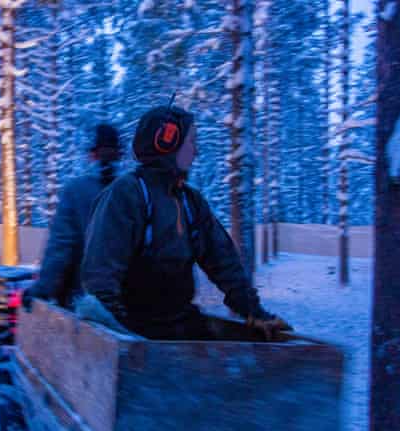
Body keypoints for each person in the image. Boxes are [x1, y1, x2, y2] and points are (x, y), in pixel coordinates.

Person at [80, 104, 290, 341]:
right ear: (166, 142)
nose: (196, 151)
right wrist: (118, 334)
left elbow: (222, 260)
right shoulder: (127, 194)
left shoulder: (191, 202)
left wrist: (253, 311)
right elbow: (100, 272)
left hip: (179, 324)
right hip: (135, 328)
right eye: (191, 142)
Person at [23, 124, 123, 309]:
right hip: (129, 305)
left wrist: (41, 290)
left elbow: (61, 247)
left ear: (92, 155)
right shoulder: (135, 191)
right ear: (119, 154)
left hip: (85, 304)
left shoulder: (76, 191)